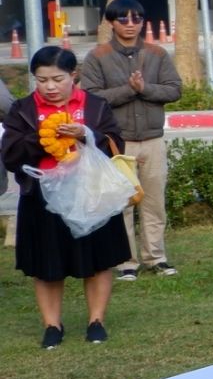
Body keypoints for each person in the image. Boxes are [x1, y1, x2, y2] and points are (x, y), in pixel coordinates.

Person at [5, 46, 130, 347]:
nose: (49, 87)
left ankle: (96, 320)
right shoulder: (22, 110)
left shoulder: (95, 105)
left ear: (74, 76)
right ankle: (52, 325)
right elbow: (10, 155)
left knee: (98, 260)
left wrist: (85, 134)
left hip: (90, 193)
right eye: (42, 80)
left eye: (58, 79)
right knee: (46, 264)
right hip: (42, 196)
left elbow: (116, 143)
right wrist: (42, 138)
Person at [78, 0, 181, 280]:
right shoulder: (97, 57)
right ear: (110, 22)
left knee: (154, 201)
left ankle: (156, 258)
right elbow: (91, 97)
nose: (130, 24)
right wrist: (129, 90)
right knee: (121, 202)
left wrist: (145, 88)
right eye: (123, 19)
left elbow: (174, 89)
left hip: (152, 139)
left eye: (136, 18)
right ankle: (126, 261)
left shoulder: (157, 54)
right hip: (117, 141)